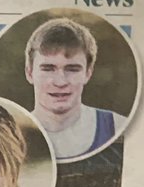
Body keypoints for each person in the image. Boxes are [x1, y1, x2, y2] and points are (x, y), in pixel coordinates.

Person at [24, 17, 127, 159]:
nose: (60, 82)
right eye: (48, 69)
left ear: (88, 73)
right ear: (29, 73)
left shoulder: (118, 127)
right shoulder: (8, 135)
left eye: (72, 69)